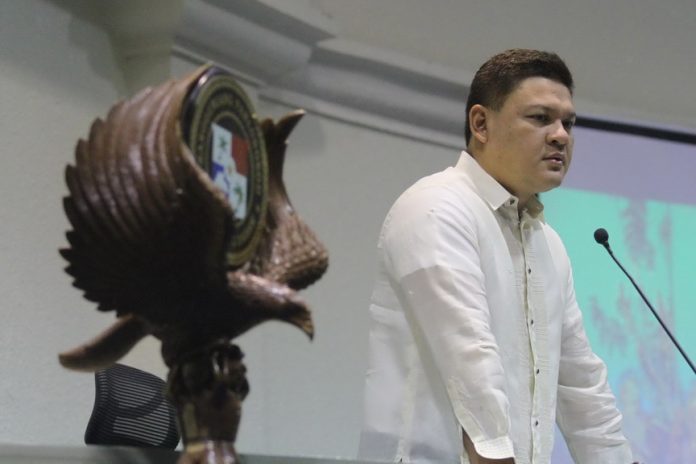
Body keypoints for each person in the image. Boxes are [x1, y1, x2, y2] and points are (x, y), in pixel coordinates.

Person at [357, 49, 635, 464]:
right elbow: (469, 360)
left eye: (568, 123)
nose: (561, 135)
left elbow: (582, 387)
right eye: (541, 118)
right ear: (481, 124)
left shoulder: (547, 243)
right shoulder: (437, 207)